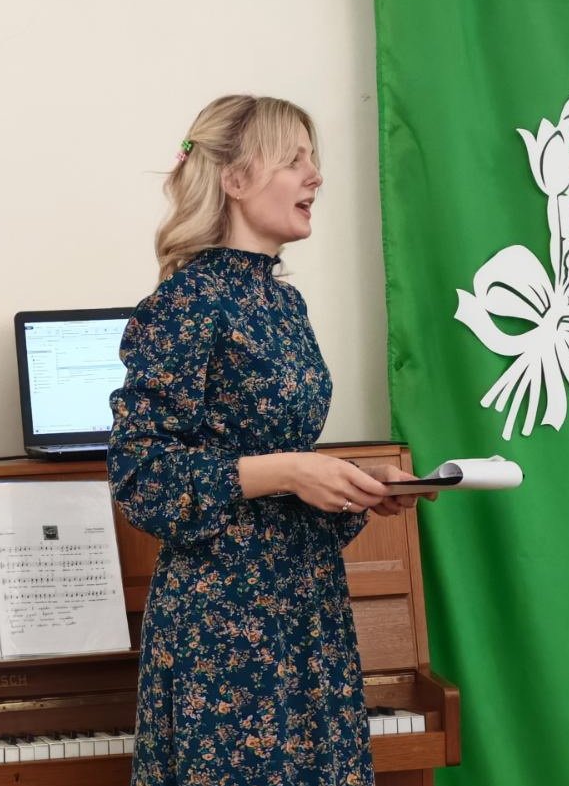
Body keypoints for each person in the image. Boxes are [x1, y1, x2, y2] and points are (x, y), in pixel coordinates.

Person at [108, 94, 417, 786]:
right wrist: (288, 472)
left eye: (315, 159)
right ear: (235, 178)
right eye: (294, 160)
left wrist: (354, 485)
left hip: (307, 606)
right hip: (226, 627)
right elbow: (141, 476)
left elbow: (281, 462)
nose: (316, 176)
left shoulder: (285, 303)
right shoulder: (184, 302)